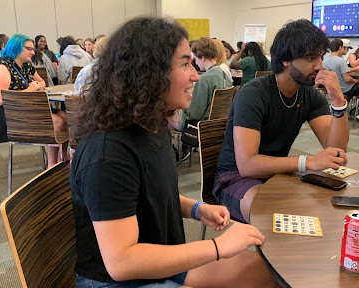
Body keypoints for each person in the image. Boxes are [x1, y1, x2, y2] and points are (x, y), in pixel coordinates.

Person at [69, 16, 276, 288]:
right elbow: (122, 262)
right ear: (148, 72)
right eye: (184, 64)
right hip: (117, 280)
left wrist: (197, 209)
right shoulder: (108, 152)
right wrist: (217, 248)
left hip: (157, 261)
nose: (195, 75)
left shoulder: (151, 124)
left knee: (264, 273)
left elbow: (154, 193)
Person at [214, 19, 349, 223]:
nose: (319, 65)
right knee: (270, 211)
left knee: (322, 205)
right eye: (311, 58)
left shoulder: (309, 95)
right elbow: (247, 165)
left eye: (321, 57)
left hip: (279, 174)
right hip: (234, 178)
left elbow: (336, 151)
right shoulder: (253, 94)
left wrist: (339, 102)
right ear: (285, 60)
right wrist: (308, 162)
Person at [0, 35, 48, 143]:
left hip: (24, 108)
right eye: (28, 49)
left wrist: (38, 85)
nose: (32, 52)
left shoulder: (26, 65)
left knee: (63, 116)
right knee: (60, 122)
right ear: (15, 48)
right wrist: (30, 89)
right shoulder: (2, 67)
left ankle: (60, 158)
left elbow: (42, 82)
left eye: (32, 49)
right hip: (9, 115)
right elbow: (1, 100)